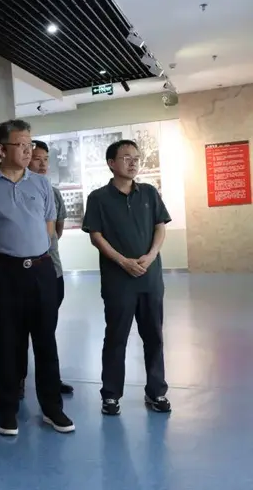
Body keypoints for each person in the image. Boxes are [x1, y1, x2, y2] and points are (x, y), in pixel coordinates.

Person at [0, 119, 74, 436]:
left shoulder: (41, 185)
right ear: (2, 149)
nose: (28, 151)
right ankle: (7, 410)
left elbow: (49, 228)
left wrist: (30, 251)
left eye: (30, 145)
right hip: (3, 274)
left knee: (46, 342)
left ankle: (52, 408)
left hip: (41, 270)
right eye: (22, 145)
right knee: (6, 344)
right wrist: (1, 255)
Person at [81, 139, 172, 416]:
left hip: (150, 279)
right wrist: (123, 262)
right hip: (118, 281)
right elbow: (96, 236)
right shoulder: (98, 198)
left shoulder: (149, 193)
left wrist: (151, 255)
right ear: (111, 163)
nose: (133, 163)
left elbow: (160, 227)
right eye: (126, 158)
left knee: (154, 336)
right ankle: (110, 395)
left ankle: (156, 391)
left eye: (136, 158)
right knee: (116, 337)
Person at [20, 140, 74, 397]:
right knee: (18, 331)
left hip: (52, 270)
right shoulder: (18, 191)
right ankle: (17, 381)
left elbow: (57, 230)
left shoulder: (54, 193)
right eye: (36, 158)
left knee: (47, 330)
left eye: (45, 159)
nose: (42, 164)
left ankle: (51, 381)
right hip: (20, 273)